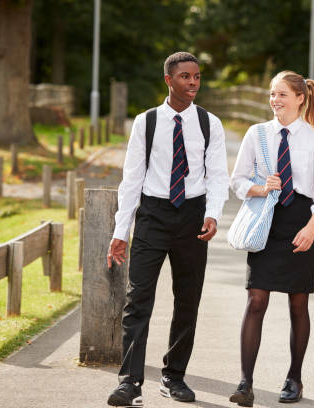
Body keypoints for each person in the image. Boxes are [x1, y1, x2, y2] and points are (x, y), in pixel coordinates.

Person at [105, 51, 229, 407]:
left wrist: (213, 214)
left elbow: (217, 175)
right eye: (186, 77)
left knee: (187, 300)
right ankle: (130, 382)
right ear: (169, 80)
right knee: (138, 299)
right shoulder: (146, 122)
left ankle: (174, 376)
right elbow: (131, 179)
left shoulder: (210, 124)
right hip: (153, 215)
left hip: (192, 216)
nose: (193, 83)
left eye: (197, 77)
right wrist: (120, 230)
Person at [228, 71, 314, 407]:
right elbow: (238, 180)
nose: (275, 101)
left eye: (282, 94)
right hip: (267, 222)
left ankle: (294, 377)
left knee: (298, 303)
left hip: (302, 223)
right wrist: (261, 188)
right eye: (272, 94)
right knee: (256, 299)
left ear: (301, 98)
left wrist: (312, 226)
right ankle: (245, 382)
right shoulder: (256, 134)